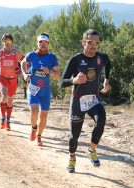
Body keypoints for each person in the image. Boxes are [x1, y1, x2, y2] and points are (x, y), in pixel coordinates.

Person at [61, 29, 111, 173]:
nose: (93, 45)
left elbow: (109, 63)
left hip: (93, 98)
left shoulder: (102, 57)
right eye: (90, 42)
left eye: (96, 43)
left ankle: (92, 150)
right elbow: (63, 82)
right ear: (83, 42)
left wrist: (106, 80)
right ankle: (72, 157)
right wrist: (74, 80)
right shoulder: (76, 60)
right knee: (74, 136)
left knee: (101, 119)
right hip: (78, 101)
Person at [21, 33, 60, 146]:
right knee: (34, 111)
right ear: (37, 43)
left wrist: (50, 72)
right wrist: (24, 74)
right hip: (33, 88)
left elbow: (57, 75)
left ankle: (39, 136)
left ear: (48, 43)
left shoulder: (52, 57)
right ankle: (34, 128)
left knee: (43, 116)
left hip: (45, 90)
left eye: (45, 42)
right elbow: (23, 63)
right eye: (40, 42)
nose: (43, 44)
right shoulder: (31, 55)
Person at [0, 33, 23, 130]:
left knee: (10, 100)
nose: (7, 43)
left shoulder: (16, 53)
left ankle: (8, 121)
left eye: (9, 41)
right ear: (3, 42)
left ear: (12, 43)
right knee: (4, 97)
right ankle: (3, 119)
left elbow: (25, 61)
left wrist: (20, 68)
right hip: (3, 78)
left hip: (13, 80)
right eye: (5, 41)